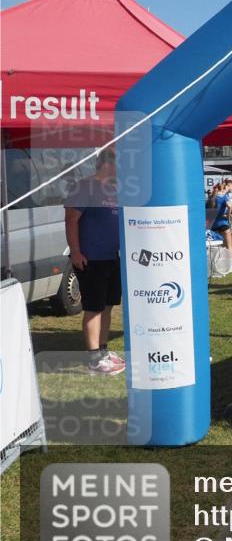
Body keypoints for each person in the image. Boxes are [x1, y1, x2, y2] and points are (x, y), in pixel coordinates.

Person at [64, 148, 124, 376]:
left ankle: (103, 350)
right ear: (108, 165)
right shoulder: (84, 187)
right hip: (91, 259)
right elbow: (71, 221)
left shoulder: (114, 190)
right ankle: (93, 359)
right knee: (93, 309)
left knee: (107, 307)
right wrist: (76, 252)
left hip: (111, 257)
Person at [211, 178, 232, 253]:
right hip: (223, 223)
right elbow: (230, 206)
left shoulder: (212, 197)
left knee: (219, 248)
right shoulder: (223, 197)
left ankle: (220, 263)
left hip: (214, 225)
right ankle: (231, 264)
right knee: (229, 247)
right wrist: (228, 217)